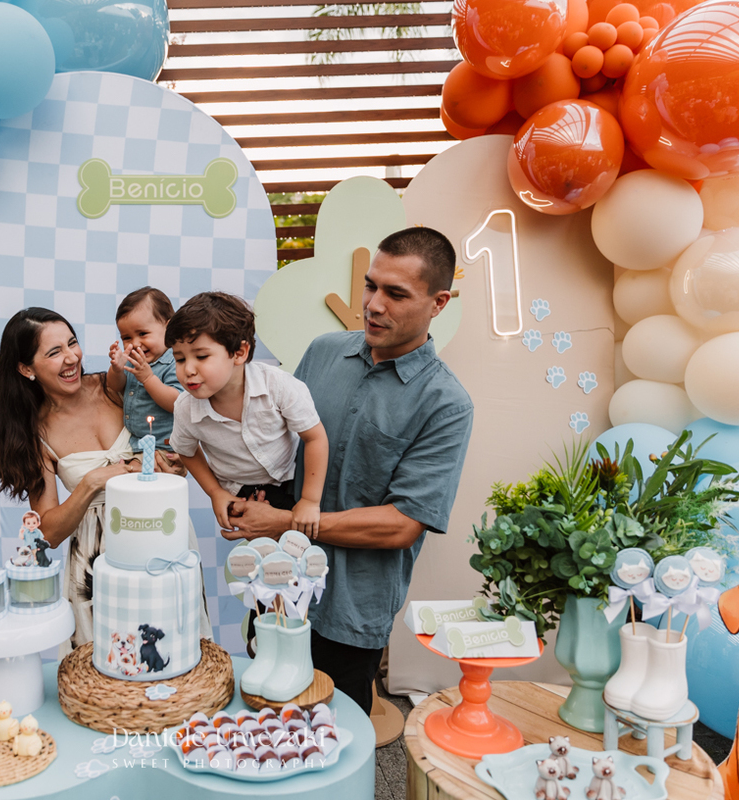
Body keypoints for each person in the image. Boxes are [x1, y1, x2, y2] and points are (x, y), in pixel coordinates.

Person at [227, 227, 474, 713]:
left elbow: (402, 525)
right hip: (278, 586)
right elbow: (279, 450)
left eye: (395, 293)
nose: (373, 305)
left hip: (352, 608)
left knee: (335, 729)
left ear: (438, 303)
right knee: (262, 713)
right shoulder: (323, 352)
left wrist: (284, 522)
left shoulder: (446, 403)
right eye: (370, 285)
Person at [0, 307, 211, 648]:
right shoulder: (34, 435)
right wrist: (93, 481)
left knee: (176, 653)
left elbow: (177, 429)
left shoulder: (119, 387)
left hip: (161, 540)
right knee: (107, 666)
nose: (71, 358)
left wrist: (174, 462)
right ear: (26, 368)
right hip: (96, 565)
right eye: (54, 352)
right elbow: (48, 533)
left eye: (72, 343)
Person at [166, 292, 329, 538]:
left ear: (240, 352)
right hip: (239, 492)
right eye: (179, 359)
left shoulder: (278, 386)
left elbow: (315, 437)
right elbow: (186, 451)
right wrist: (215, 492)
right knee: (259, 554)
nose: (188, 369)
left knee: (300, 546)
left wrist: (309, 500)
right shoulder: (185, 408)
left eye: (201, 356)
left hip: (293, 481)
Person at [106, 287, 182, 451]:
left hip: (165, 446)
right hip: (135, 443)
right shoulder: (133, 361)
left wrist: (148, 379)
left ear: (169, 328)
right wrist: (117, 369)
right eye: (127, 337)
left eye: (143, 333)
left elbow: (177, 404)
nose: (135, 343)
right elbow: (114, 386)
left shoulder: (175, 362)